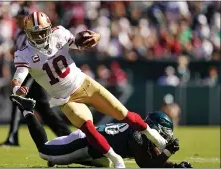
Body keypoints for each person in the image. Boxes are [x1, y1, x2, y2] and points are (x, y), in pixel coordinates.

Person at [11, 11, 167, 167]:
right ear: (27, 33)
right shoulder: (24, 54)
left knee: (123, 114)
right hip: (66, 99)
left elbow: (79, 43)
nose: (39, 37)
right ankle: (116, 159)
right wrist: (18, 88)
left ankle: (154, 136)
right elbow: (18, 77)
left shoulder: (59, 33)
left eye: (42, 32)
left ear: (49, 29)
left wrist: (96, 37)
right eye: (35, 34)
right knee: (88, 128)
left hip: (86, 85)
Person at [10, 95, 193, 168]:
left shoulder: (143, 135)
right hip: (86, 142)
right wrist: (169, 152)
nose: (164, 137)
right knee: (44, 151)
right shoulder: (137, 135)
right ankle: (27, 110)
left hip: (99, 150)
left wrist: (176, 166)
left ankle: (69, 159)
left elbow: (155, 160)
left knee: (105, 163)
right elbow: (147, 165)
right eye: (163, 133)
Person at [0, 8, 71, 147]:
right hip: (26, 73)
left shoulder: (34, 33)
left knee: (18, 101)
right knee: (44, 110)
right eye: (17, 19)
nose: (18, 21)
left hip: (34, 74)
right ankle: (67, 135)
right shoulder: (19, 35)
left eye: (20, 18)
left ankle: (12, 138)